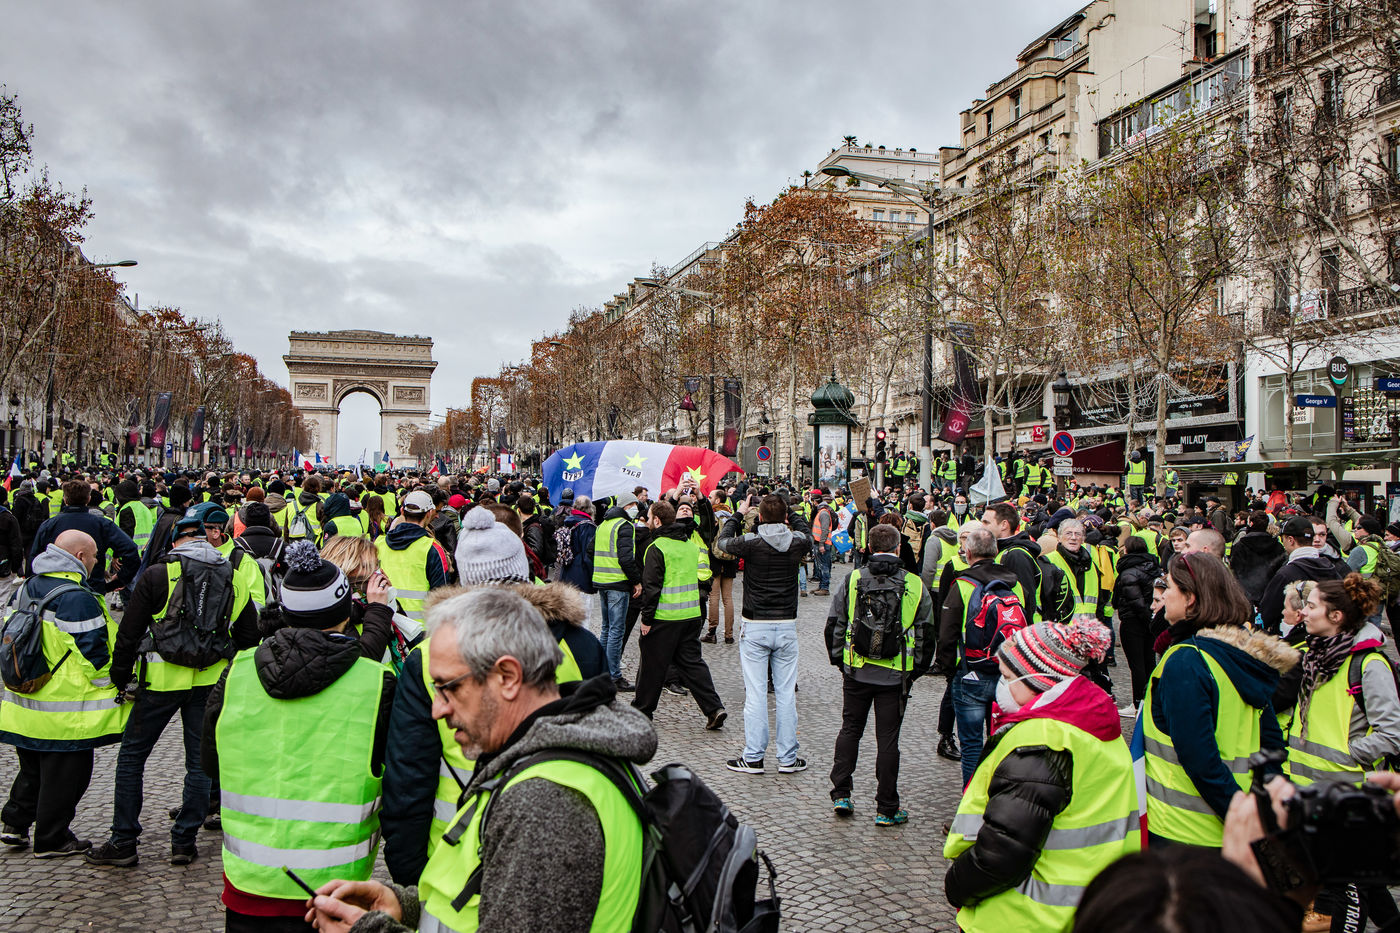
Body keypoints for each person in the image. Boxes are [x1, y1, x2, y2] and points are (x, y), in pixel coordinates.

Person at [308, 588, 656, 933]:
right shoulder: (547, 762)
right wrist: (407, 906)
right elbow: (494, 899)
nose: (437, 709)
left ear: (507, 677)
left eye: (449, 687)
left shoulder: (544, 800)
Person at [380, 522, 607, 886]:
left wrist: (409, 871)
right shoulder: (581, 646)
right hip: (561, 859)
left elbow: (409, 773)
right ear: (525, 573)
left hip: (452, 865)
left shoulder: (428, 656)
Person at [202, 541, 395, 932]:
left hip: (249, 881)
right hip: (337, 887)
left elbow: (210, 762)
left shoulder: (237, 672)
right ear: (347, 613)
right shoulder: (375, 682)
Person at [85, 503, 261, 867]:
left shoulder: (158, 574)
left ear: (175, 540)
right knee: (199, 762)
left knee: (132, 757)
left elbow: (129, 631)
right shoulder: (235, 575)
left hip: (160, 679)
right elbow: (248, 636)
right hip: (209, 680)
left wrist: (120, 675)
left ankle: (123, 840)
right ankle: (184, 840)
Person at [944, 617, 1137, 931]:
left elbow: (1001, 855)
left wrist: (956, 886)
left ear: (1040, 679)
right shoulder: (1092, 722)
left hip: (1023, 917)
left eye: (1008, 677)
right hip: (1082, 906)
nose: (1001, 686)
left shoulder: (1041, 741)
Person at [1142, 552, 1297, 848]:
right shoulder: (1239, 656)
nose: (1162, 597)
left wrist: (1242, 817)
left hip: (1182, 830)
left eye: (1169, 587)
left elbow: (1200, 759)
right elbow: (1271, 742)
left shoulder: (1186, 661)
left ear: (1190, 598)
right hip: (1232, 828)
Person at [1278, 573, 1400, 933]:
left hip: (1350, 799)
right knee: (1362, 886)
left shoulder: (1369, 665)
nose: (1304, 612)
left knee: (1342, 894)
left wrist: (1347, 754)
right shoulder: (1314, 656)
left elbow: (1391, 733)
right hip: (1311, 796)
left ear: (1336, 616)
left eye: (1312, 606)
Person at [0, 530, 129, 857]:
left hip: (24, 703)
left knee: (32, 768)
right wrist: (121, 684)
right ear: (81, 556)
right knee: (67, 776)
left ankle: (14, 824)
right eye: (96, 555)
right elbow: (94, 655)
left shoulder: (26, 587)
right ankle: (52, 838)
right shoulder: (76, 597)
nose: (97, 561)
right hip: (63, 710)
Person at [824, 523, 933, 824]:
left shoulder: (853, 579)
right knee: (887, 740)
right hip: (896, 674)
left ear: (870, 547)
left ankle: (841, 793)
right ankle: (886, 807)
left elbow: (835, 624)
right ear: (899, 548)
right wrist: (916, 671)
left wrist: (840, 661)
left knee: (850, 729)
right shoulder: (914, 583)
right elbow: (926, 633)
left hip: (857, 669)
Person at [714, 494, 811, 772]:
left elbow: (723, 543)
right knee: (786, 694)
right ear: (785, 517)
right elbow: (807, 533)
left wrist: (737, 514)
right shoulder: (796, 542)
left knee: (756, 694)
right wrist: (792, 514)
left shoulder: (751, 542)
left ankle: (754, 756)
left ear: (759, 517)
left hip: (755, 623)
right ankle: (788, 757)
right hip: (786, 623)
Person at [936, 527, 1023, 785]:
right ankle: (999, 797)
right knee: (1000, 741)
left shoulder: (963, 585)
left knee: (972, 744)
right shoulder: (1014, 584)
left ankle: (972, 800)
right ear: (995, 551)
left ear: (968, 553)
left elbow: (947, 634)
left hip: (971, 671)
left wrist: (949, 670)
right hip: (1008, 673)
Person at [631, 500, 726, 730]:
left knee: (651, 666)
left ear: (656, 521)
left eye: (649, 517)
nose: (647, 520)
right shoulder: (690, 546)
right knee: (692, 664)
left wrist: (646, 619)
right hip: (691, 615)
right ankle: (714, 708)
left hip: (664, 617)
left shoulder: (657, 547)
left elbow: (652, 587)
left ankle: (642, 711)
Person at [29, 479, 139, 595]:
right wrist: (120, 580)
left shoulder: (49, 525)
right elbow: (131, 551)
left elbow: (34, 558)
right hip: (92, 588)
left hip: (55, 589)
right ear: (88, 499)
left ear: (65, 500)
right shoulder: (102, 524)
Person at [1258, 516, 1343, 638]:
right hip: (1330, 638)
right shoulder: (1330, 567)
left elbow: (1266, 613)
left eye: (1283, 539)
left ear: (1290, 540)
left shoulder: (1286, 574)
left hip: (1294, 640)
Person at [374, 490, 450, 626]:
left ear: (402, 511)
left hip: (386, 623)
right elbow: (441, 596)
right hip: (421, 627)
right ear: (429, 513)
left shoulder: (379, 544)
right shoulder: (432, 548)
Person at [591, 492, 641, 691]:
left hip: (602, 581)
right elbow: (626, 558)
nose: (637, 509)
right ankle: (614, 676)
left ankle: (602, 671)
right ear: (627, 506)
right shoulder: (625, 525)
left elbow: (590, 550)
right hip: (617, 583)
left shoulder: (603, 525)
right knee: (616, 630)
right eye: (634, 505)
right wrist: (636, 581)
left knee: (606, 628)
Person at [1112, 535, 1161, 716]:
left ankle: (1138, 703)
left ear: (1127, 550)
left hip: (1133, 621)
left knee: (1137, 664)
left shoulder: (1128, 572)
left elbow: (1135, 601)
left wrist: (1146, 617)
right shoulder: (1155, 568)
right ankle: (1151, 699)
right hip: (1150, 620)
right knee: (1149, 661)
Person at [981, 502, 1048, 624]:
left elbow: (1026, 601)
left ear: (1004, 525)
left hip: (1020, 628)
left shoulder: (1016, 555)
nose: (982, 527)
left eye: (986, 522)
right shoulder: (1003, 551)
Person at [1229, 511, 1285, 609]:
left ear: (1251, 523)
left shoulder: (1240, 546)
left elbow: (1235, 570)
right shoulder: (1277, 546)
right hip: (1270, 595)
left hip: (1247, 595)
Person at [704, 488, 739, 644]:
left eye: (711, 497)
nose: (709, 498)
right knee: (728, 598)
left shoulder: (713, 516)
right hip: (730, 559)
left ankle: (712, 631)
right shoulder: (733, 517)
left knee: (714, 596)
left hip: (715, 559)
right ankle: (729, 634)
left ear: (717, 500)